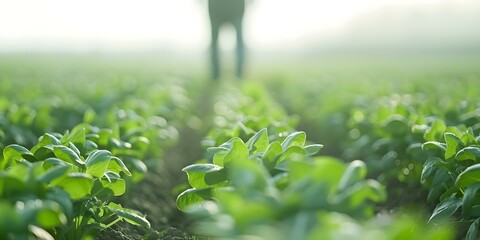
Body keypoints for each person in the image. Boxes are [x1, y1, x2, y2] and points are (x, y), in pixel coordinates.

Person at [208, 0, 245, 80]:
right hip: (236, 6)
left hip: (216, 6)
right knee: (239, 40)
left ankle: (215, 74)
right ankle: (239, 74)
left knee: (214, 40)